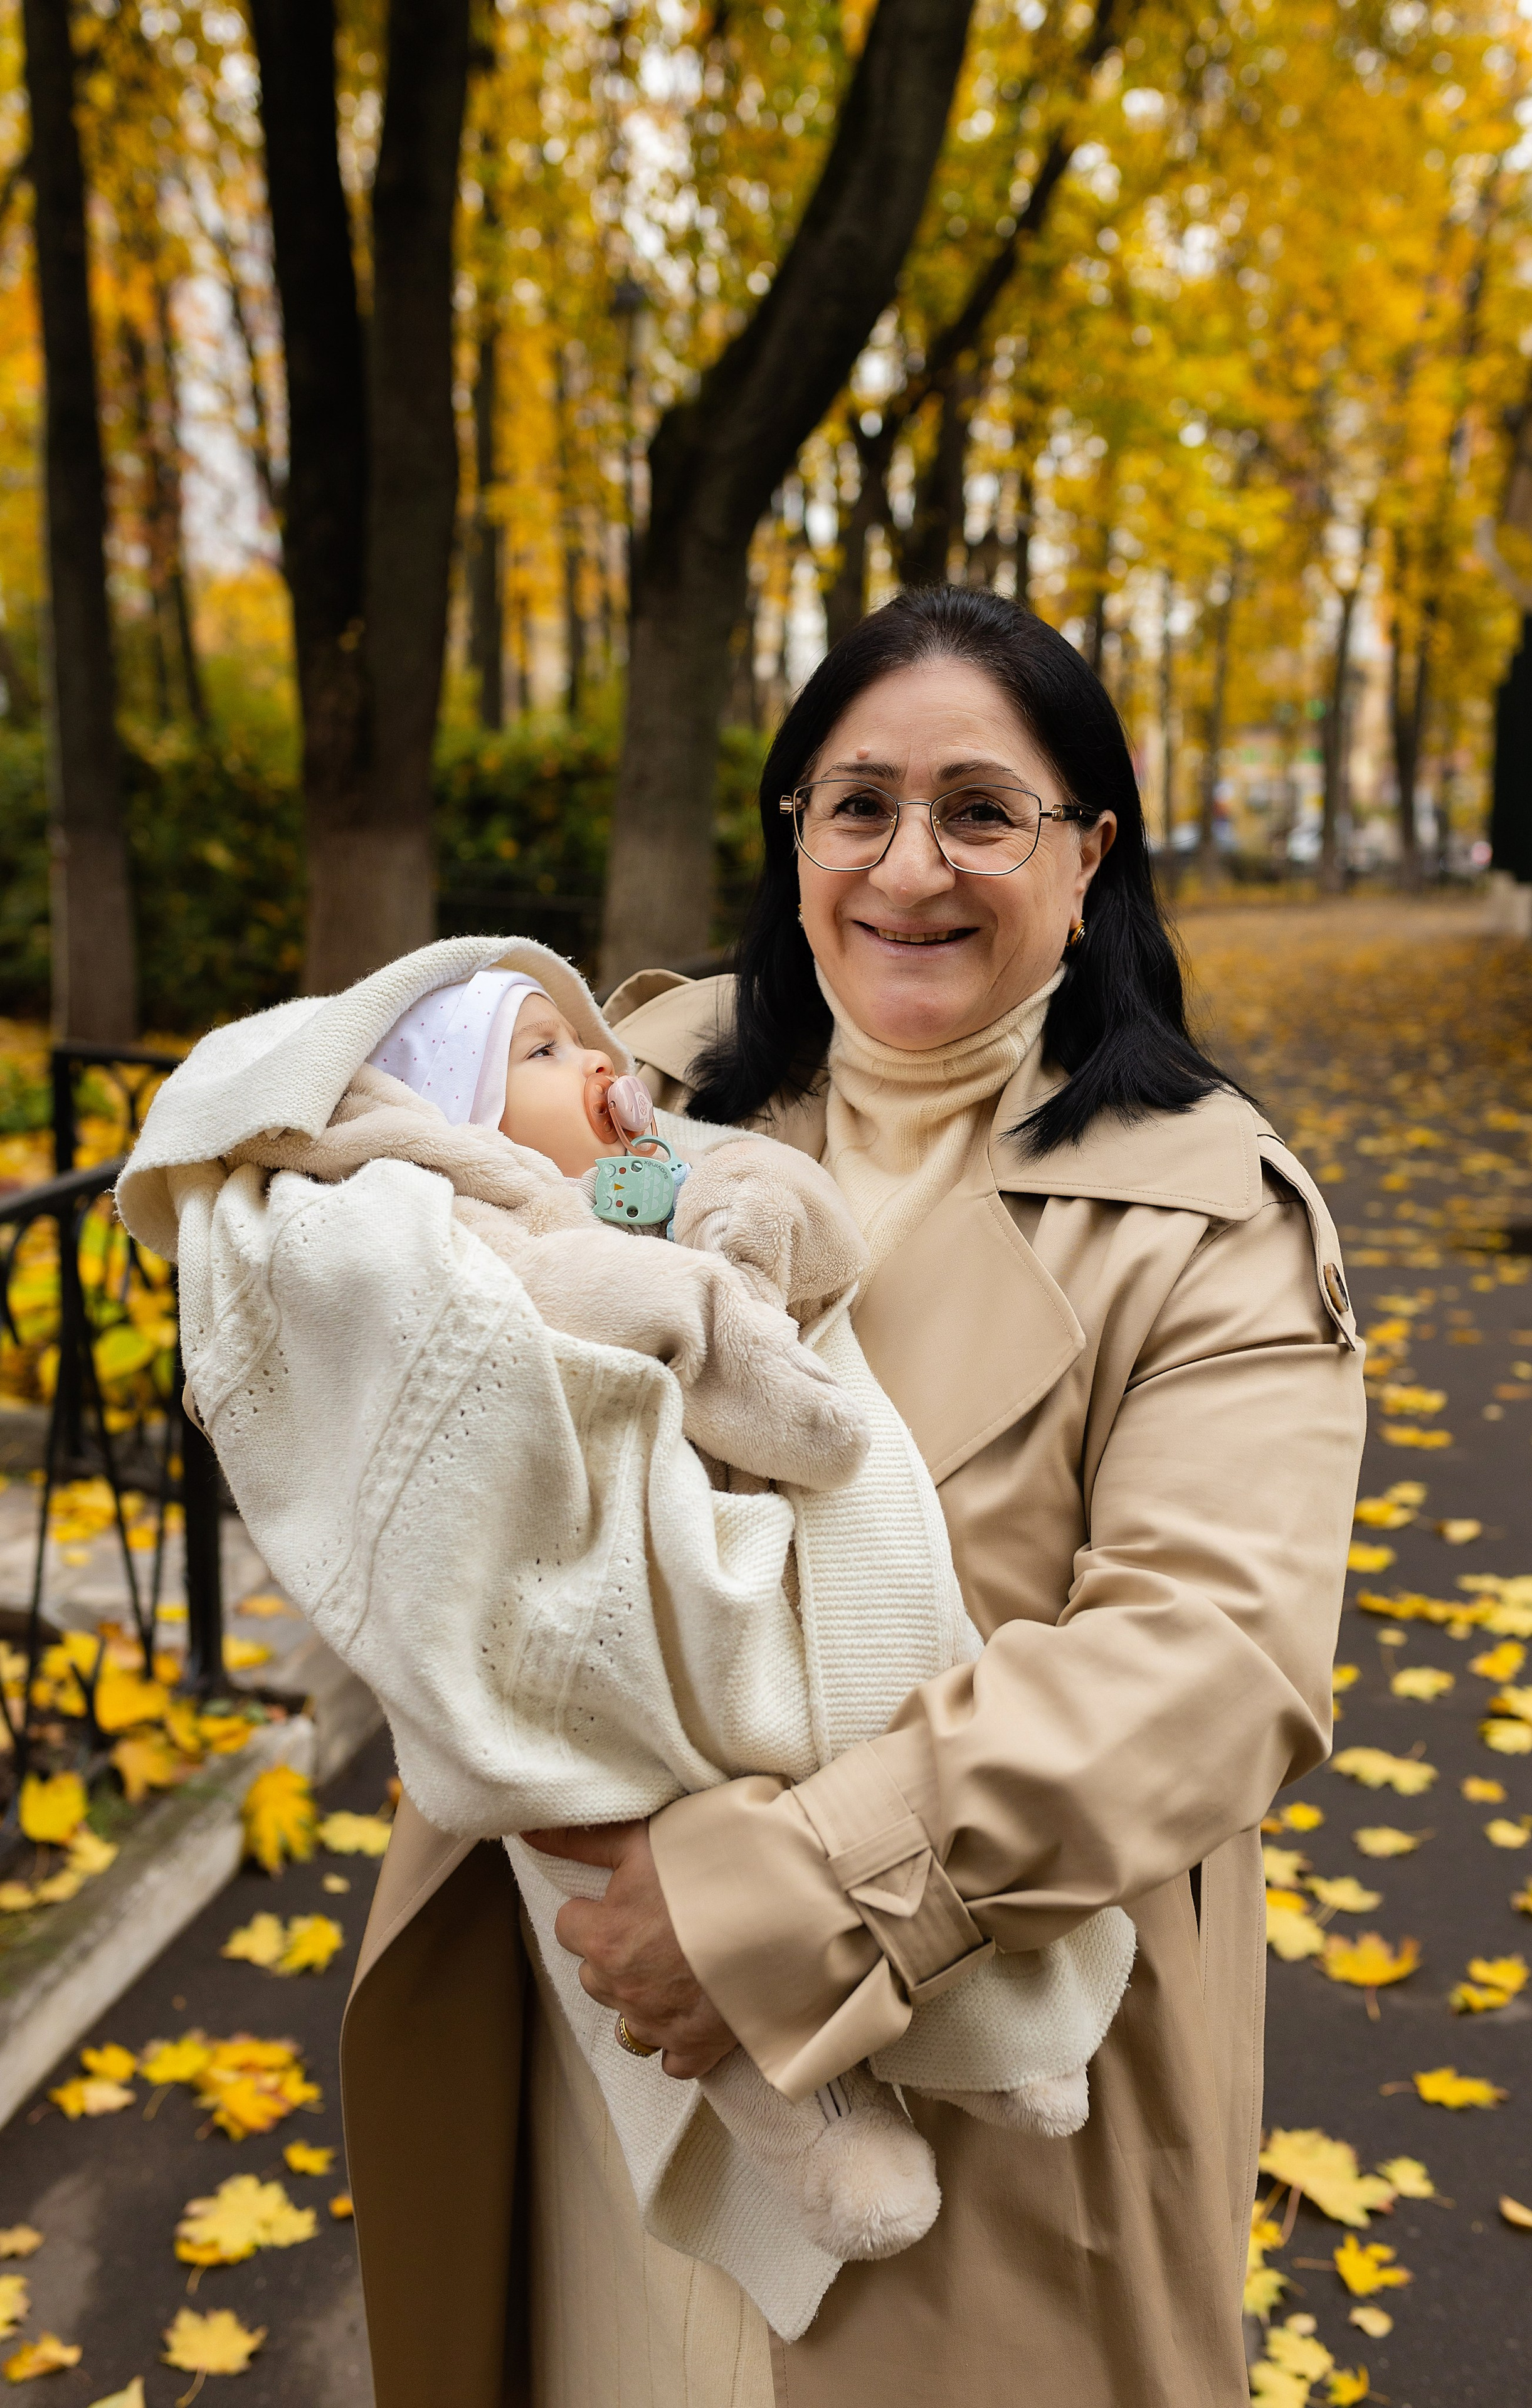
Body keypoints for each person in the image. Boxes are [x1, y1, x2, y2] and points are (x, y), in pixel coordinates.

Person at [341, 585, 1365, 2407]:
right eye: (856, 804)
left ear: (1086, 854)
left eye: (983, 809)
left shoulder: (1213, 1219)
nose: (911, 867)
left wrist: (773, 1903)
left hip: (974, 2122)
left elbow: (1213, 1661)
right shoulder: (622, 1094)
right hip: (602, 2078)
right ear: (794, 833)